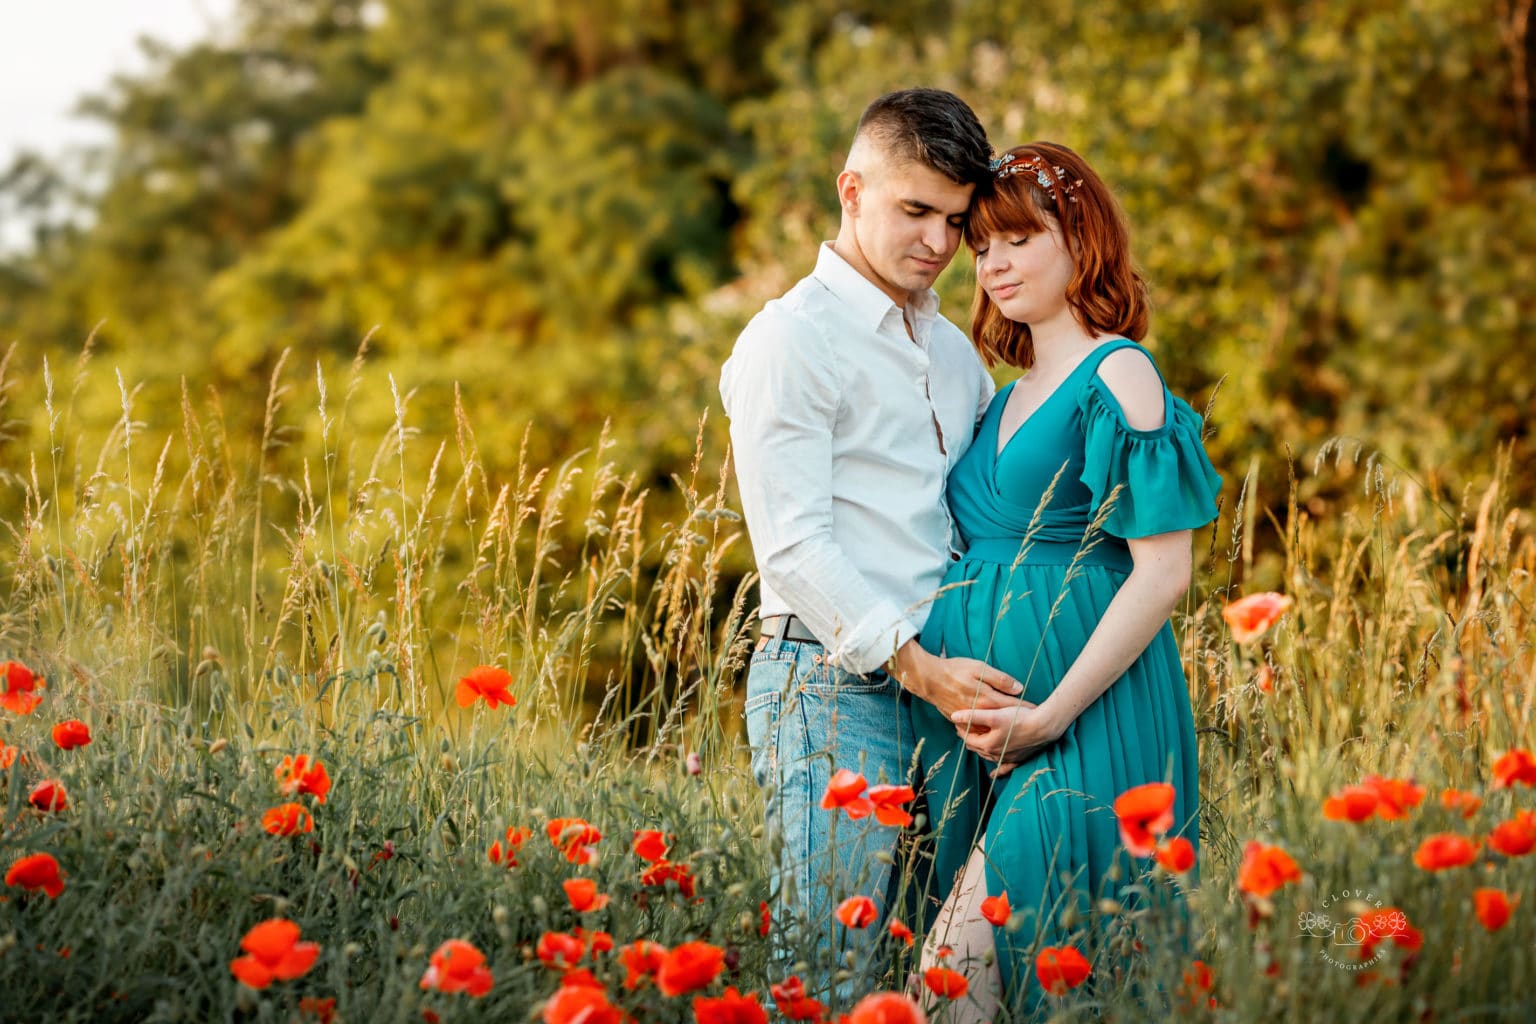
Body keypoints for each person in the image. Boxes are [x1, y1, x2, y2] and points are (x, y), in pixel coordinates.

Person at [910, 141, 1222, 1019]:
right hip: (983, 734)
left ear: (1080, 239)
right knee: (1001, 976)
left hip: (1084, 719)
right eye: (981, 246)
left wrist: (1047, 716)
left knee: (949, 974)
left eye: (1018, 238)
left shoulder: (1119, 371)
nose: (993, 263)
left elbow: (1163, 575)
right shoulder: (1001, 394)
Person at [719, 89, 1025, 965]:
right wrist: (919, 670)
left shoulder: (955, 355)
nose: (936, 242)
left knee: (936, 970)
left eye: (955, 220)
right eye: (914, 209)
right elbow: (793, 545)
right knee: (830, 967)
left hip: (947, 690)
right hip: (831, 690)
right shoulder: (792, 340)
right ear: (851, 191)